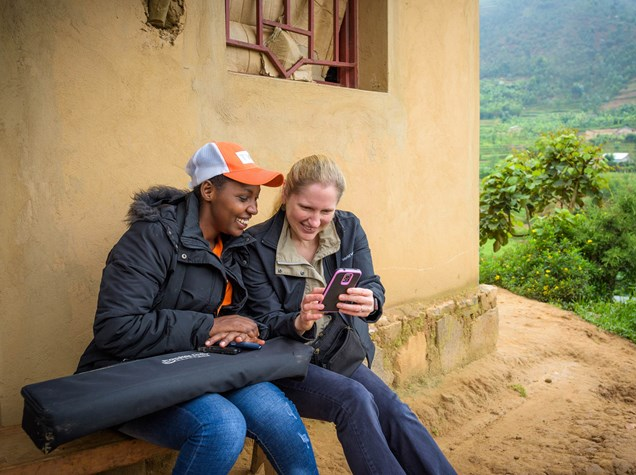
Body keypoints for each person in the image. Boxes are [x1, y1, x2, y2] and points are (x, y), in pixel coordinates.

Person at [75, 142, 319, 475]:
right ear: (208, 190)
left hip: (204, 367)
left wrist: (292, 324)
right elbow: (116, 328)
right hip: (133, 373)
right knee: (221, 426)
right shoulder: (150, 239)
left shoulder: (234, 246)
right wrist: (207, 327)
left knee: (276, 413)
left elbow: (245, 319)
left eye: (256, 198)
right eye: (243, 197)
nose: (254, 209)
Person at [242, 154, 457, 475]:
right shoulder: (253, 246)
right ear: (286, 194)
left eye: (325, 211)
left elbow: (372, 283)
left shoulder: (348, 227)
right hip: (284, 361)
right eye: (306, 208)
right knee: (355, 399)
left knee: (396, 412)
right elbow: (262, 322)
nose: (315, 220)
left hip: (335, 350)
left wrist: (371, 301)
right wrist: (298, 321)